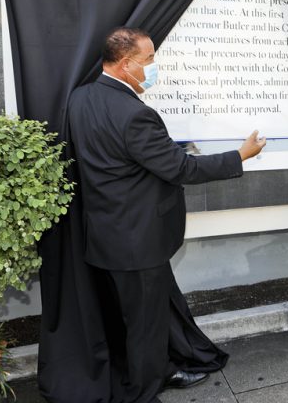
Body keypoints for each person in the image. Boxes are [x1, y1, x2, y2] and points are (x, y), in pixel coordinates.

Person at [68, 27, 266, 403]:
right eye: (149, 59)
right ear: (126, 65)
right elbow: (182, 169)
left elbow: (119, 159)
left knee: (135, 313)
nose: (154, 66)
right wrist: (240, 155)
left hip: (106, 231)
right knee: (144, 323)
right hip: (138, 240)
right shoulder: (135, 114)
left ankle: (165, 366)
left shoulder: (81, 97)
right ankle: (143, 391)